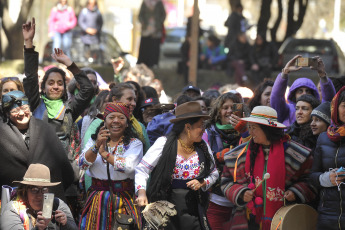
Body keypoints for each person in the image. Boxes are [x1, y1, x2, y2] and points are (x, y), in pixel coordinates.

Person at [22, 17, 93, 215]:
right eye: (50, 83)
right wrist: (29, 44)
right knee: (39, 215)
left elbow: (87, 89)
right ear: (43, 87)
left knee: (60, 216)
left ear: (64, 87)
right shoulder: (36, 104)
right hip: (39, 170)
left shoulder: (70, 107)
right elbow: (29, 78)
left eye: (59, 83)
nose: (55, 86)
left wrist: (70, 64)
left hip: (65, 171)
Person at [221, 106, 316, 229]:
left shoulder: (297, 154)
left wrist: (296, 191)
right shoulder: (238, 155)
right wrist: (240, 192)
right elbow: (225, 181)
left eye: (254, 128)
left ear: (267, 130)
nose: (250, 133)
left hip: (284, 219)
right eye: (249, 127)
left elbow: (311, 180)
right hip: (248, 219)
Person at [135, 101, 219, 229]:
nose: (203, 129)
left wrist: (202, 183)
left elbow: (214, 173)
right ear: (188, 127)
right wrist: (141, 193)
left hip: (194, 207)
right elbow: (142, 169)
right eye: (200, 125)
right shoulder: (163, 144)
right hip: (165, 207)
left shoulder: (203, 147)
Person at [79, 102, 143, 229]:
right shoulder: (93, 141)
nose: (116, 121)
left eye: (121, 118)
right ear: (104, 121)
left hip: (124, 197)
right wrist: (97, 146)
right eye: (111, 117)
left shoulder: (134, 144)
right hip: (98, 198)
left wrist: (103, 153)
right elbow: (82, 164)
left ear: (127, 122)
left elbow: (128, 166)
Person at [0, 91, 74, 200]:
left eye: (24, 108)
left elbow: (64, 169)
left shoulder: (46, 129)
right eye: (15, 110)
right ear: (7, 113)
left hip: (47, 200)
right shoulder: (2, 134)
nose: (21, 113)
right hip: (14, 201)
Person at [205, 92, 249, 229]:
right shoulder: (208, 132)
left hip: (243, 202)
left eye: (233, 107)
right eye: (225, 107)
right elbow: (199, 156)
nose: (229, 111)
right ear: (218, 112)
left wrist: (245, 132)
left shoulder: (249, 130)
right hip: (216, 201)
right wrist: (217, 155)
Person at [0, 164, 78, 229]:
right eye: (34, 189)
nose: (40, 196)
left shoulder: (57, 204)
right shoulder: (13, 209)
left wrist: (66, 223)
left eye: (44, 189)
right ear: (25, 190)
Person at [310, 86, 345, 229]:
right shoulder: (324, 138)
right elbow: (312, 176)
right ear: (336, 108)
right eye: (344, 106)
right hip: (328, 213)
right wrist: (327, 178)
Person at [271, 55, 336, 127]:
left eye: (308, 91)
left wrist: (322, 75)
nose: (304, 94)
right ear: (294, 95)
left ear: (313, 95)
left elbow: (329, 100)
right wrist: (285, 73)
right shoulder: (287, 111)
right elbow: (276, 97)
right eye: (300, 91)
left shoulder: (319, 111)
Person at [108, 82, 150, 153]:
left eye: (134, 100)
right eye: (129, 99)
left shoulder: (139, 126)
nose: (134, 104)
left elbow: (147, 155)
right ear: (115, 100)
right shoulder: (98, 123)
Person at [137, 0, 166, 67]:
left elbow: (163, 15)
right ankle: (143, 63)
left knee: (154, 47)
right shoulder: (145, 3)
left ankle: (154, 63)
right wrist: (144, 23)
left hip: (156, 30)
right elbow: (140, 15)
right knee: (145, 47)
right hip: (146, 30)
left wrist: (159, 23)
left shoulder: (159, 3)